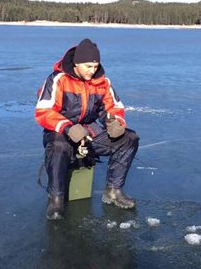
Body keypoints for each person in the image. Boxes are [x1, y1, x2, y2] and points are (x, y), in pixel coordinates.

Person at [35, 38, 139, 220]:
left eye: (95, 66)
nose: (92, 71)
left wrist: (115, 122)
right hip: (61, 134)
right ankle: (56, 199)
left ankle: (113, 191)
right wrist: (68, 127)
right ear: (76, 64)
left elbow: (114, 106)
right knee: (59, 146)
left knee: (129, 139)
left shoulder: (102, 82)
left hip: (88, 134)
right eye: (88, 66)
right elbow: (44, 111)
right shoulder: (58, 80)